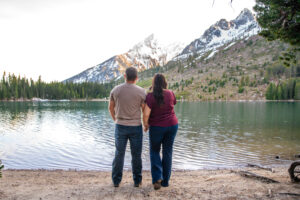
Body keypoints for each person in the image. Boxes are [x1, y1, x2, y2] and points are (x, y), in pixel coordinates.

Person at [109, 67, 146, 187]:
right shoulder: (141, 91)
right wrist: (146, 124)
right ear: (136, 78)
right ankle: (137, 181)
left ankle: (116, 181)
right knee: (136, 155)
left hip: (120, 126)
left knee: (119, 154)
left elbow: (110, 108)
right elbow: (144, 110)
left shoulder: (115, 90)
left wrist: (116, 119)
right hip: (136, 126)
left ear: (125, 76)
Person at [143, 73, 178, 190]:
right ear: (164, 82)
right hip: (172, 125)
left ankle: (157, 177)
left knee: (154, 151)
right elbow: (173, 104)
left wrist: (145, 125)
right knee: (168, 152)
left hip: (157, 127)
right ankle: (165, 182)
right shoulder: (171, 93)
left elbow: (146, 114)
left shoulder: (150, 96)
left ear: (154, 83)